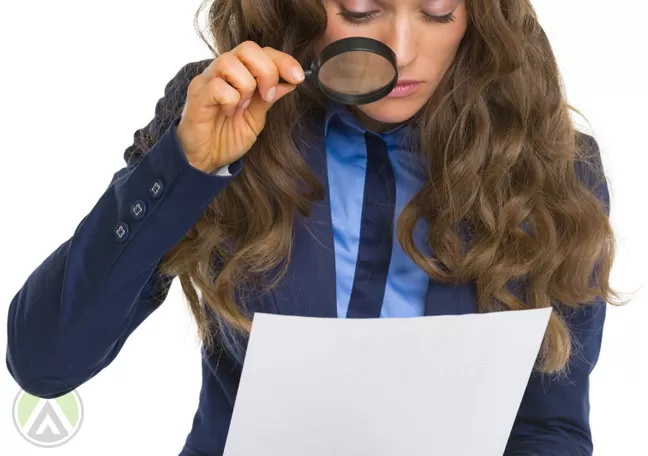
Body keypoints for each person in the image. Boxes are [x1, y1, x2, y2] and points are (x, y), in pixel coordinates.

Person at [6, 0, 616, 455]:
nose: (401, 50)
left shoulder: (551, 168)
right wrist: (187, 167)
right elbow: (46, 360)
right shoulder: (221, 115)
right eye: (360, 10)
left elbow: (549, 425)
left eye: (437, 11)